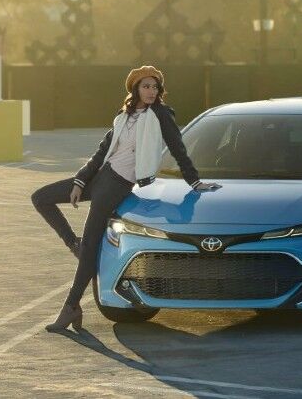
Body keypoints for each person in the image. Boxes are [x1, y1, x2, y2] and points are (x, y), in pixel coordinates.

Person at [32, 66, 220, 333]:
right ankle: (74, 244)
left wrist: (194, 181)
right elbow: (101, 152)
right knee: (40, 198)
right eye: (146, 86)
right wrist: (80, 180)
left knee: (90, 249)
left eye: (155, 87)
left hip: (116, 185)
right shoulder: (124, 116)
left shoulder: (161, 115)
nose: (151, 91)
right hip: (99, 178)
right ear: (135, 88)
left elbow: (178, 148)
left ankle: (71, 306)